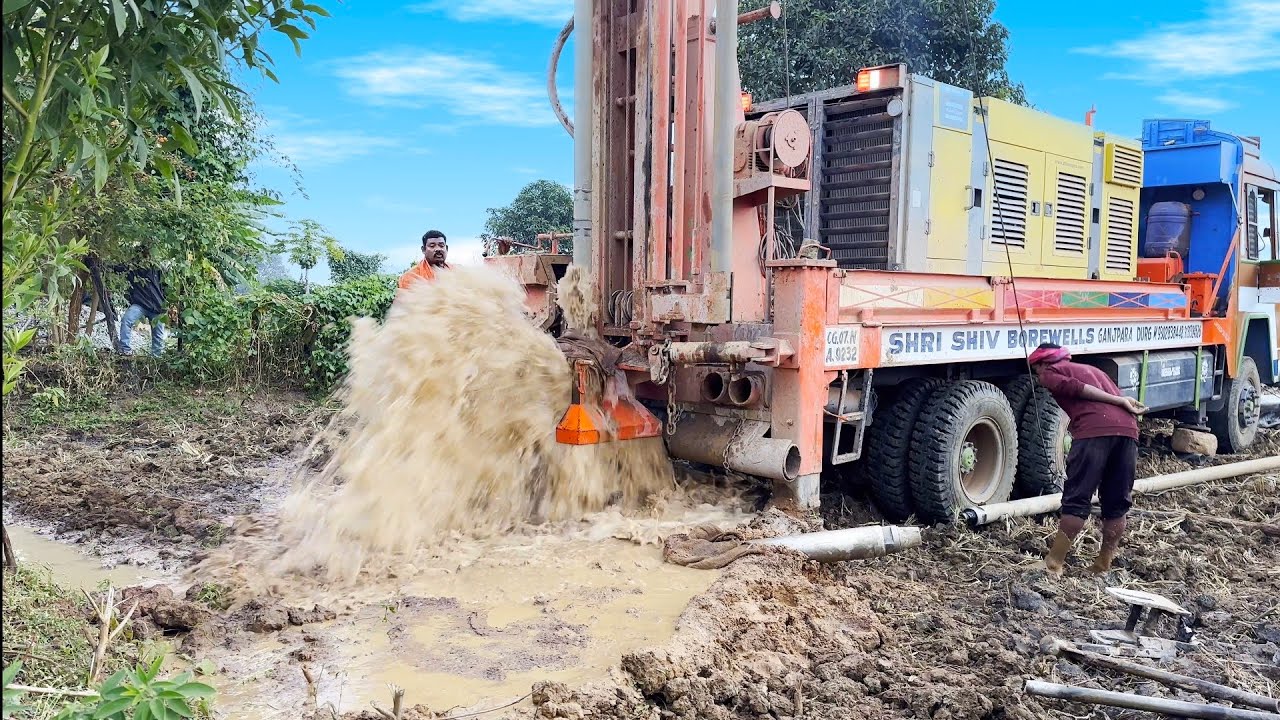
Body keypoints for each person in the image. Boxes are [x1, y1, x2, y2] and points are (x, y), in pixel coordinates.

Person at [1029, 342, 1147, 576]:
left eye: (1036, 370)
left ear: (1043, 363)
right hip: (1128, 433)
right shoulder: (1096, 371)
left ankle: (1054, 563)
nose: (1038, 377)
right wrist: (1121, 401)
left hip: (1094, 433)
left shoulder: (1051, 373)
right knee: (1117, 502)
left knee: (1077, 498)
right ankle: (1103, 565)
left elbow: (1078, 388)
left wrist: (1118, 401)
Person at [119, 260, 168, 357]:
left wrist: (164, 303)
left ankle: (156, 358)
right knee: (126, 320)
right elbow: (117, 268)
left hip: (157, 307)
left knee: (158, 334)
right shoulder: (133, 267)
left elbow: (166, 287)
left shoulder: (157, 269)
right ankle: (125, 350)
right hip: (140, 304)